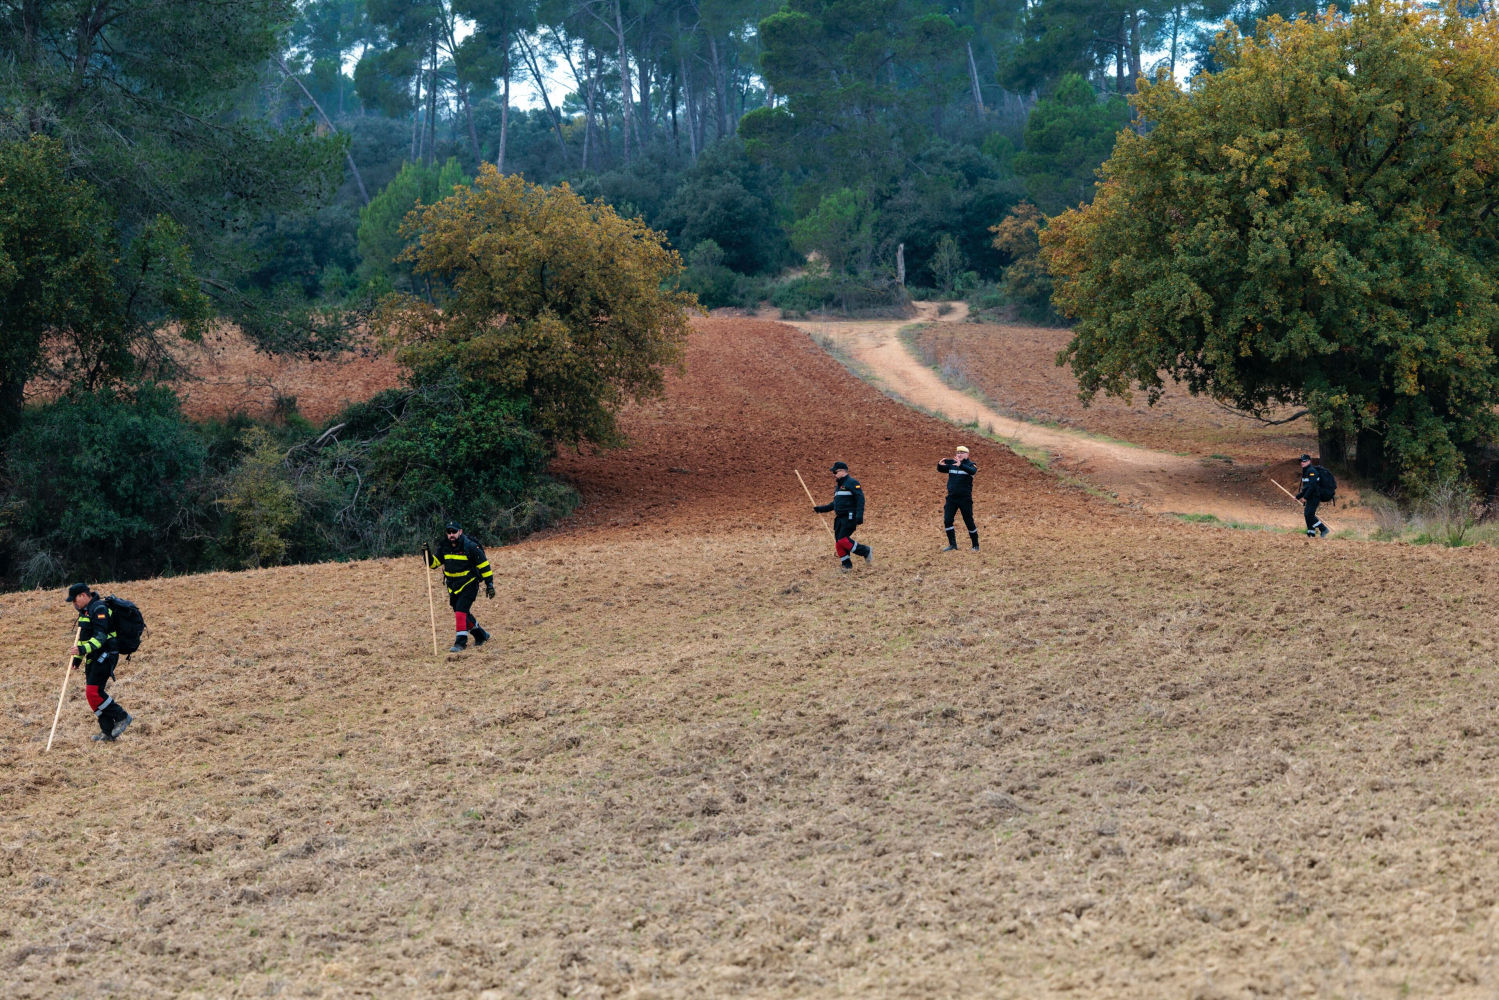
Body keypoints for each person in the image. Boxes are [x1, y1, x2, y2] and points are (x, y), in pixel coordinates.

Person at [66, 582, 133, 742]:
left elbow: (100, 638)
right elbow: (83, 639)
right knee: (91, 695)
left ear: (83, 595)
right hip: (93, 656)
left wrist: (82, 650)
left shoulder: (99, 609)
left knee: (93, 692)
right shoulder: (85, 612)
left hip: (106, 654)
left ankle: (122, 716)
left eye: (75, 600)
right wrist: (77, 659)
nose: (74, 604)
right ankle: (107, 731)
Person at [426, 521, 495, 651]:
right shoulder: (444, 547)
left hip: (469, 584)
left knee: (460, 611)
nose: (451, 534)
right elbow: (434, 564)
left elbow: (484, 566)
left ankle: (460, 643)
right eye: (449, 532)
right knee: (462, 613)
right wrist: (427, 555)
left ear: (460, 532)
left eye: (454, 532)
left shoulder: (471, 547)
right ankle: (481, 635)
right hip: (452, 586)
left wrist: (489, 584)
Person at [813, 461, 872, 572]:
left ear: (842, 471)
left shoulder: (852, 483)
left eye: (835, 472)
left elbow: (860, 499)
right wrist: (821, 509)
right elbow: (834, 504)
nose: (833, 474)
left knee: (843, 540)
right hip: (839, 519)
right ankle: (846, 566)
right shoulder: (838, 487)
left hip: (849, 517)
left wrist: (859, 515)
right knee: (838, 543)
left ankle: (865, 551)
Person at [938, 445, 979, 551]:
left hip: (965, 499)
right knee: (947, 520)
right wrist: (939, 465)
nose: (959, 454)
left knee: (968, 521)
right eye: (957, 453)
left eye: (962, 453)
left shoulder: (971, 465)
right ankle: (953, 545)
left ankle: (975, 545)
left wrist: (961, 465)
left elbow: (973, 471)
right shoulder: (952, 464)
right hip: (951, 498)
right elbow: (941, 469)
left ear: (967, 455)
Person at [1294, 454, 1331, 538]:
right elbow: (1306, 487)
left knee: (1309, 514)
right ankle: (1311, 532)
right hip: (1310, 496)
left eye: (1304, 461)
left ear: (1309, 461)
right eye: (1301, 461)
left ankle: (1323, 529)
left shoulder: (1312, 471)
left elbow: (1312, 486)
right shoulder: (1306, 471)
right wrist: (1298, 496)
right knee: (1307, 514)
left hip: (1314, 496)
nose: (1302, 463)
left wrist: (1305, 497)